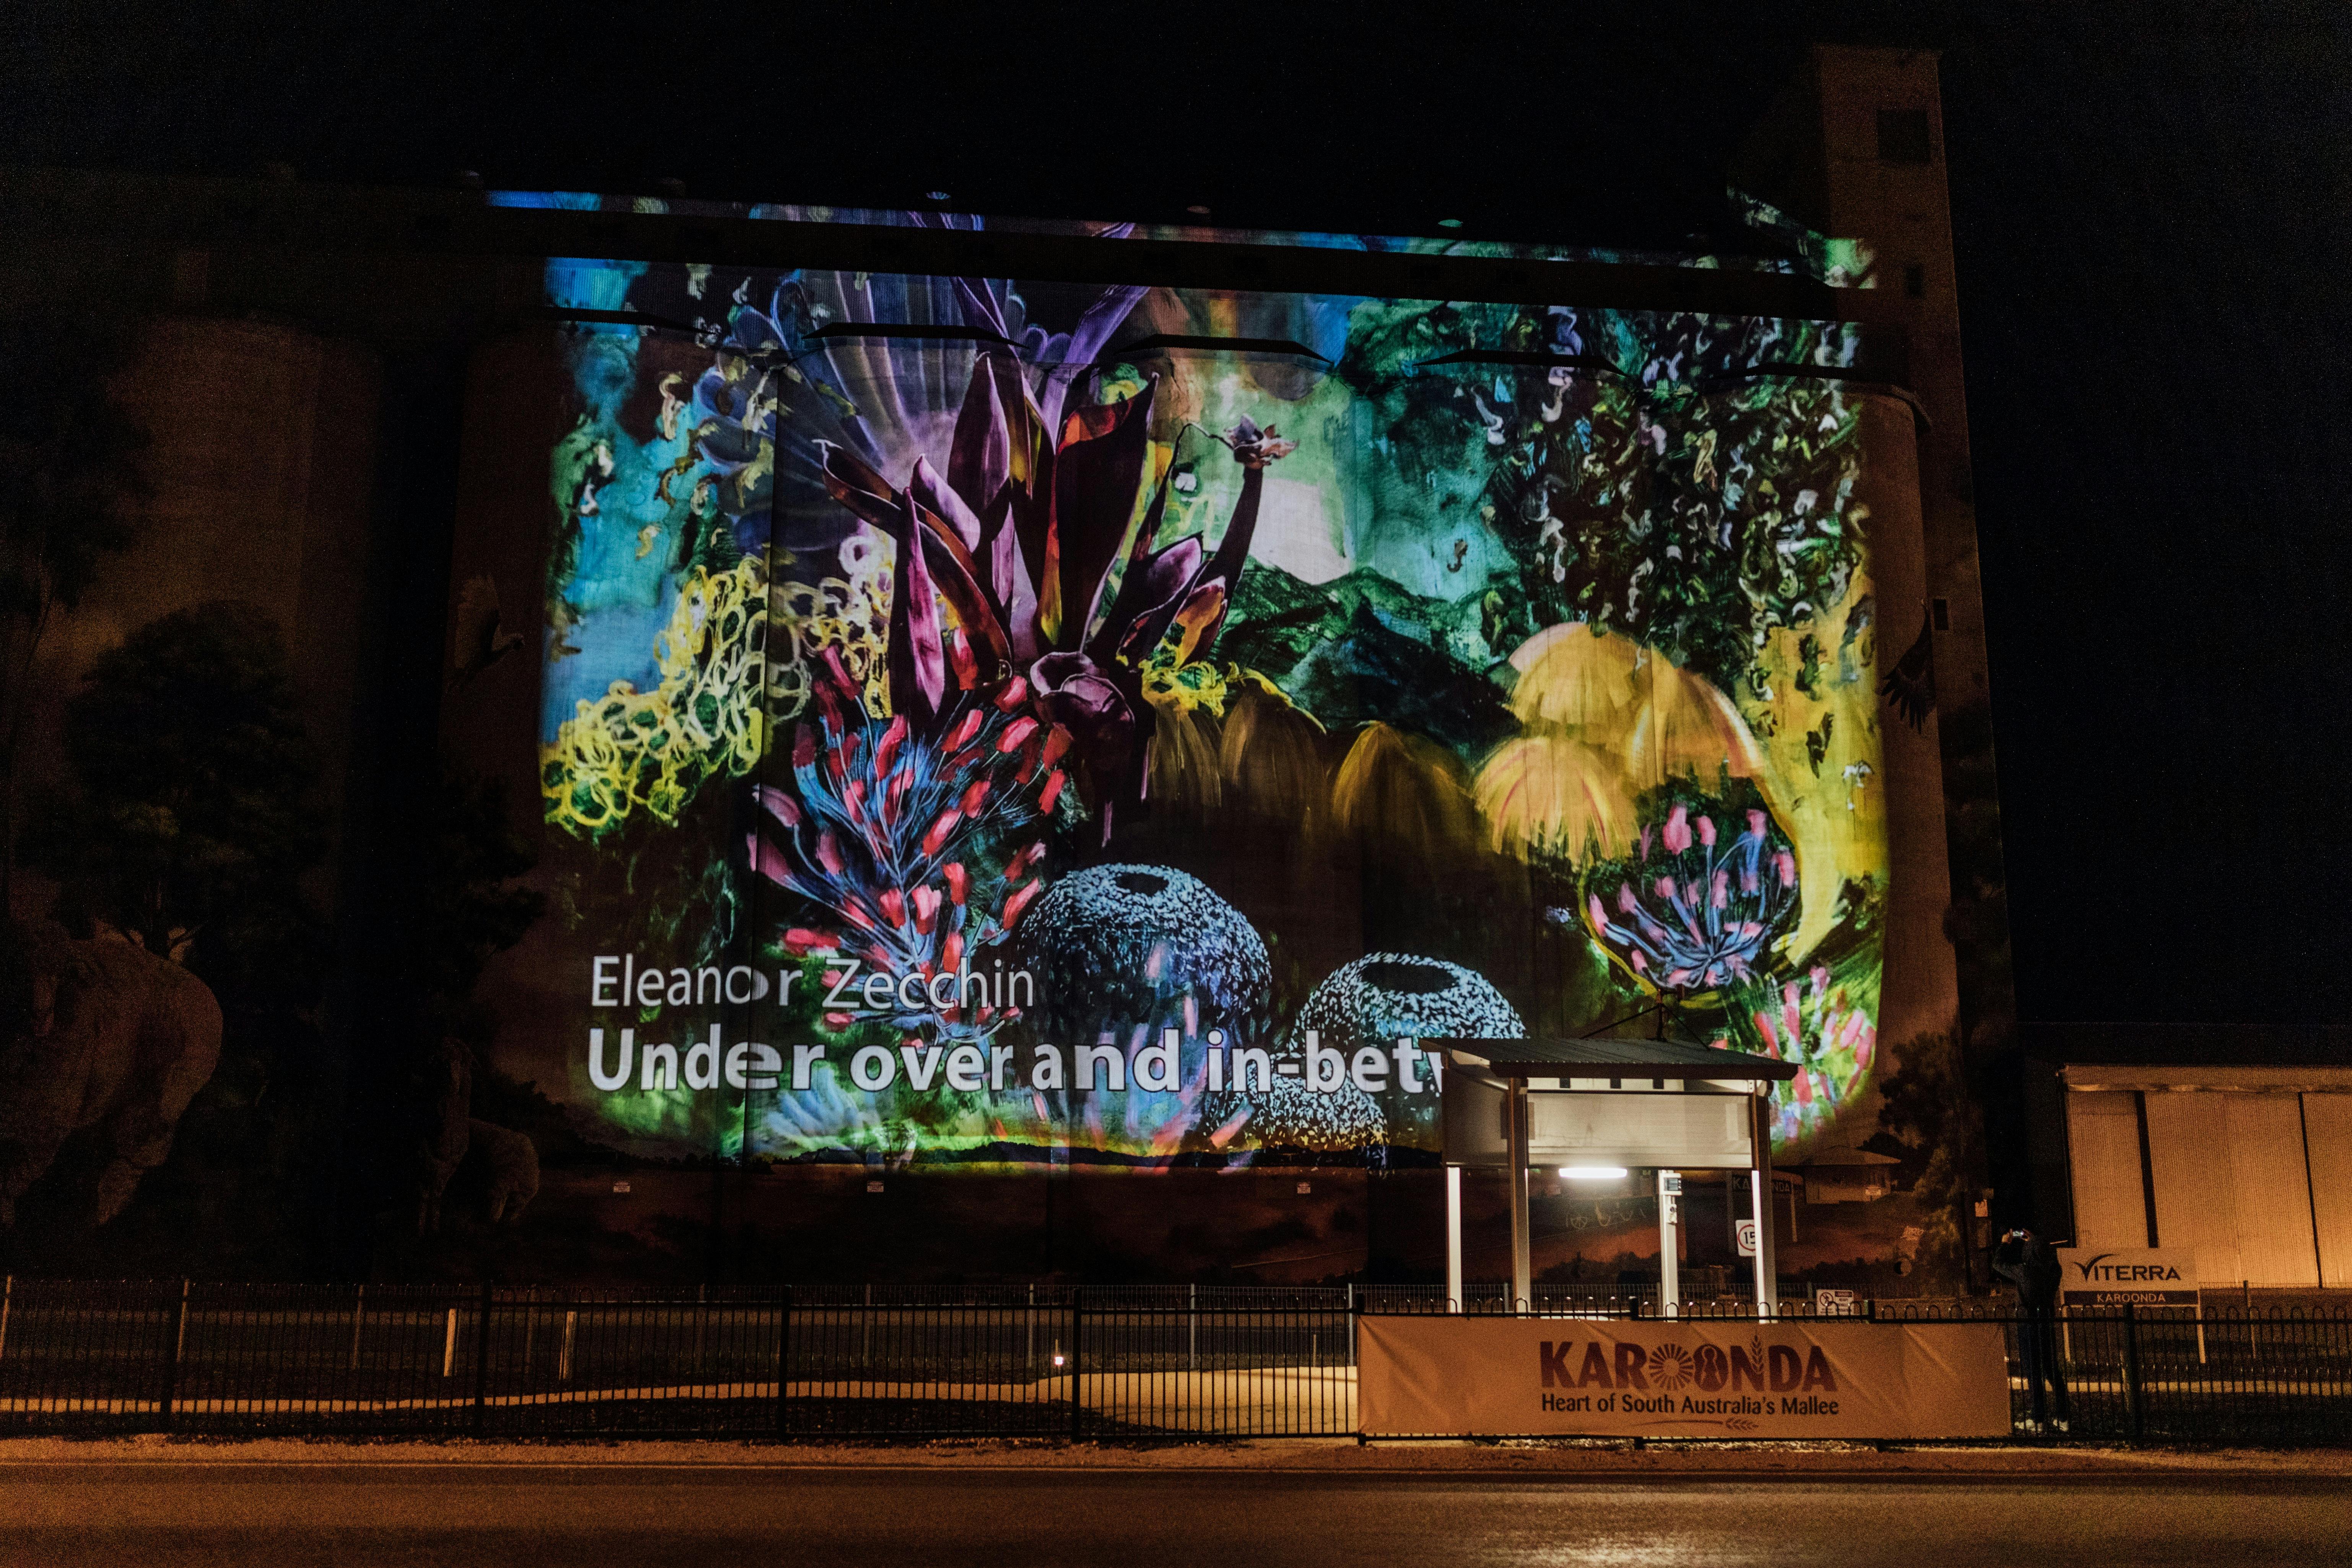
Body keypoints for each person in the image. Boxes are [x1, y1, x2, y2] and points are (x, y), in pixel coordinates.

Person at [1990, 1226, 2071, 1433]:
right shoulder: (2054, 1271)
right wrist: (2036, 1242)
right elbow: (2045, 1256)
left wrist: (2005, 1244)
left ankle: (2038, 1417)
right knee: (2052, 1370)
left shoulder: (2025, 1272)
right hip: (2046, 1320)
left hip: (2028, 1324)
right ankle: (2064, 1417)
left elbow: (1998, 1264)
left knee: (2034, 1372)